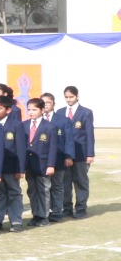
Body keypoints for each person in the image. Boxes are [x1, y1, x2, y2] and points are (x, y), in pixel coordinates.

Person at [55, 85, 94, 219]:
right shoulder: (60, 112)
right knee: (65, 182)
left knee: (81, 181)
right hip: (65, 154)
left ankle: (81, 208)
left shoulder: (86, 112)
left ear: (77, 96)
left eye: (71, 97)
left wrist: (90, 154)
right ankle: (67, 208)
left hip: (81, 154)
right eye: (66, 97)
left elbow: (89, 134)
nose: (69, 100)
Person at [0, 95, 27, 231]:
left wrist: (20, 169)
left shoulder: (16, 125)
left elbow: (21, 149)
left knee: (14, 192)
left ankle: (16, 220)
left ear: (8, 110)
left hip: (11, 166)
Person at [22, 95, 56, 227]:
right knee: (32, 190)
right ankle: (35, 215)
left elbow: (53, 148)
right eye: (29, 109)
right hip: (29, 164)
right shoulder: (24, 125)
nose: (31, 112)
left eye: (34, 110)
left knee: (44, 190)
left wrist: (51, 165)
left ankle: (44, 216)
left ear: (42, 110)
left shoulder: (49, 127)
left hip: (43, 164)